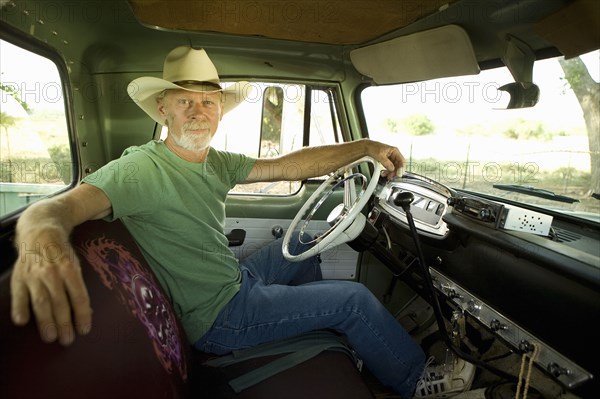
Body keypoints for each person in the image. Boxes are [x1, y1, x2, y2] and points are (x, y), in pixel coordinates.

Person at [10, 46, 433, 397]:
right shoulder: (138, 169)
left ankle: (315, 330)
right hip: (219, 318)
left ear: (219, 112)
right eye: (184, 101)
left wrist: (363, 146)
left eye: (207, 101)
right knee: (353, 300)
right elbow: (60, 208)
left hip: (236, 279)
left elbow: (284, 167)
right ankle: (419, 383)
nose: (198, 111)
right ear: (163, 110)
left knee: (305, 238)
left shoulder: (214, 161)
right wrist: (40, 233)